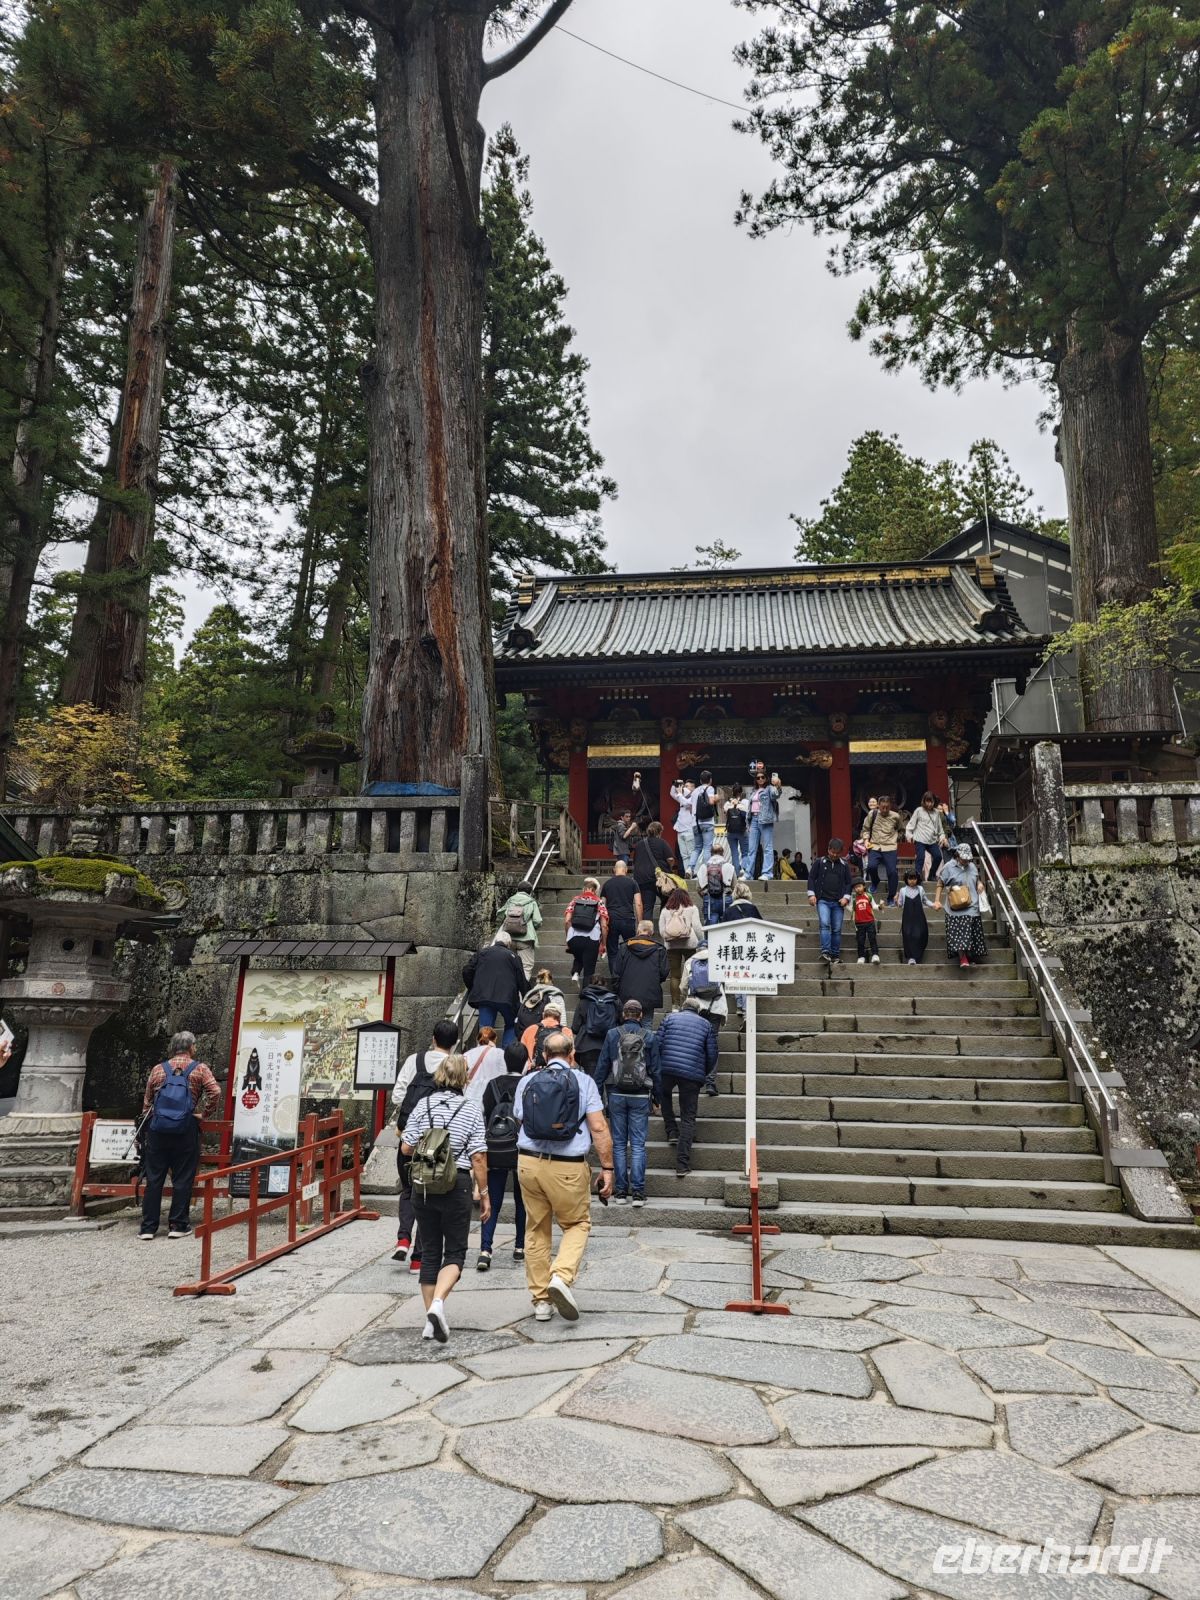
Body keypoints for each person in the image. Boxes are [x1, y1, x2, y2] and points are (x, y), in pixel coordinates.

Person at [513, 1032, 614, 1320]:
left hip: (529, 1163)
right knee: (577, 1223)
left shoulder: (527, 1081)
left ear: (544, 1055)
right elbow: (598, 1127)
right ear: (572, 1055)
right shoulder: (584, 1082)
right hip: (568, 1167)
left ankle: (541, 1302)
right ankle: (561, 1275)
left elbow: (520, 1117)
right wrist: (607, 1168)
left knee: (536, 1229)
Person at [400, 1053, 489, 1342]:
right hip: (457, 1184)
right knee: (454, 1252)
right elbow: (478, 1156)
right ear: (465, 1078)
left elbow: (405, 1148)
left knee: (429, 1251)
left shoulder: (423, 1105)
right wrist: (484, 1194)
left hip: (424, 1186)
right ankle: (438, 1304)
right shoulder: (471, 1109)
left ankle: (430, 1321)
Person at [138, 1032, 221, 1241]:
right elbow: (215, 1091)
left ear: (172, 1048)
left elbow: (147, 1102)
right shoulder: (199, 1069)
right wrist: (204, 1113)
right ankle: (178, 1224)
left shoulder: (158, 1069)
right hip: (185, 1127)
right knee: (182, 1177)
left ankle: (148, 1227)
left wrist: (150, 1124)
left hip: (158, 1129)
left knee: (154, 1178)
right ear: (192, 1047)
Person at [392, 1018, 460, 1264]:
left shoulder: (415, 1060)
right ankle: (418, 1258)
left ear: (433, 1038)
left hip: (408, 1137)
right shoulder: (455, 1066)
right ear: (455, 1043)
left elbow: (397, 1096)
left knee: (408, 1190)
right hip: (438, 1142)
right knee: (429, 1195)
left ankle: (403, 1239)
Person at [594, 999, 661, 1206]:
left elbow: (602, 1066)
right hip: (640, 1095)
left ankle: (621, 1192)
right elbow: (656, 1070)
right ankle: (638, 1193)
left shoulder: (612, 1034)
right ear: (641, 1016)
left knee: (619, 1144)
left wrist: (596, 1095)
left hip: (616, 1094)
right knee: (638, 1144)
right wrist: (657, 1097)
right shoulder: (649, 1036)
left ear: (623, 1015)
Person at [477, 1040, 528, 1271]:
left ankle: (485, 1250)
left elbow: (486, 1114)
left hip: (496, 1147)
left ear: (505, 1061)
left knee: (493, 1200)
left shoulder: (492, 1084)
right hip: (520, 1149)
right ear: (525, 1062)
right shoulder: (528, 1084)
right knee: (521, 1200)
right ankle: (519, 1246)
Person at [657, 999, 718, 1178]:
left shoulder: (669, 1018)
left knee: (664, 1096)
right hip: (692, 1074)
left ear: (683, 1007)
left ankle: (671, 1130)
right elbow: (712, 1053)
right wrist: (703, 1073)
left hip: (667, 1069)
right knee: (688, 1117)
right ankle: (682, 1164)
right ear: (697, 1010)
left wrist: (658, 1067)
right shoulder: (706, 1025)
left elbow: (657, 1043)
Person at [463, 931, 526, 1046]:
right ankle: (506, 1052)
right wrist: (527, 997)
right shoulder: (513, 957)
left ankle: (484, 1052)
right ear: (508, 944)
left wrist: (473, 988)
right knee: (512, 1024)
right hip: (507, 999)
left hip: (484, 997)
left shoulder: (482, 953)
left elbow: (467, 970)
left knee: (485, 1028)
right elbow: (521, 980)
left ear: (496, 940)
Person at [934, 841, 988, 968]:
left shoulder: (972, 866)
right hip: (956, 907)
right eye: (964, 858)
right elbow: (940, 884)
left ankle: (970, 957)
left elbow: (976, 879)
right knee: (959, 934)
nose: (966, 861)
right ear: (957, 855)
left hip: (972, 904)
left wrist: (980, 884)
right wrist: (937, 900)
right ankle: (962, 958)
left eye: (968, 859)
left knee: (972, 933)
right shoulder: (948, 867)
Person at [612, 919, 670, 1028]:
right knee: (647, 1025)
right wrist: (655, 980)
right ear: (651, 932)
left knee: (626, 1025)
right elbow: (664, 972)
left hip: (626, 994)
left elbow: (616, 972)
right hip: (649, 993)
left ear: (638, 931)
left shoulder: (625, 946)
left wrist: (617, 990)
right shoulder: (659, 949)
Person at [807, 838, 854, 970]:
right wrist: (811, 894)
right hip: (823, 900)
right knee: (824, 924)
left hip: (838, 902)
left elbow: (848, 883)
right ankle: (825, 952)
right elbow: (811, 878)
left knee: (837, 929)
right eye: (832, 852)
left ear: (841, 853)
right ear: (828, 849)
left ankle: (835, 955)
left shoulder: (844, 865)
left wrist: (846, 897)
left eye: (837, 853)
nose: (834, 855)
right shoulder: (819, 862)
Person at [659, 886, 704, 1008]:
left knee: (675, 976)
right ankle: (690, 1002)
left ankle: (675, 1005)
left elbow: (662, 930)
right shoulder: (692, 908)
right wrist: (702, 941)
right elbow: (697, 927)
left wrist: (669, 937)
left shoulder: (665, 910)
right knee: (691, 973)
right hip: (690, 945)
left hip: (672, 946)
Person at [572, 978, 620, 1085]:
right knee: (604, 1079)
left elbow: (575, 1027)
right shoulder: (614, 1000)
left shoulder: (584, 1001)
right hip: (608, 1045)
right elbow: (621, 1021)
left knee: (590, 1081)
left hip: (586, 1046)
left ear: (590, 984)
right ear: (605, 984)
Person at [563, 877, 608, 986]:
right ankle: (585, 993)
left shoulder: (575, 900)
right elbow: (604, 925)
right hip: (591, 939)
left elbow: (567, 921)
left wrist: (568, 938)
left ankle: (576, 971)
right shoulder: (599, 902)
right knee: (589, 971)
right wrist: (603, 943)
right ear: (595, 890)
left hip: (574, 938)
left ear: (584, 889)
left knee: (579, 956)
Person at [861, 794, 903, 906]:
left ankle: (891, 897)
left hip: (890, 846)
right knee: (871, 866)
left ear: (890, 806)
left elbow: (901, 829)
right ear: (878, 805)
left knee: (892, 872)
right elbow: (866, 829)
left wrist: (896, 838)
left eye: (887, 807)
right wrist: (866, 840)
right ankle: (875, 882)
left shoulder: (896, 816)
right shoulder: (872, 814)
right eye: (882, 807)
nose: (884, 810)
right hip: (875, 845)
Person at [600, 859, 642, 968]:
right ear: (626, 870)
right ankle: (629, 974)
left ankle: (615, 976)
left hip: (611, 920)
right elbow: (638, 904)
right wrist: (640, 923)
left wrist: (602, 923)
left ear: (614, 870)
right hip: (628, 919)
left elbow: (602, 905)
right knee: (631, 949)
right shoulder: (633, 883)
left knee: (612, 952)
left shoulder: (607, 884)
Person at [632, 819, 674, 924]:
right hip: (659, 878)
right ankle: (664, 924)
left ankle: (646, 930)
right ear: (660, 832)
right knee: (667, 900)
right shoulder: (662, 843)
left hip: (643, 879)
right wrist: (669, 868)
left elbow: (635, 860)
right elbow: (670, 859)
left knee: (648, 906)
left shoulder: (639, 844)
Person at [499, 880, 542, 978]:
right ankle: (522, 987)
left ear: (518, 890)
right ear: (530, 891)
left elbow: (500, 913)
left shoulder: (511, 900)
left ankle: (510, 986)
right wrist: (532, 927)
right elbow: (537, 921)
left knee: (509, 965)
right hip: (525, 939)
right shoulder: (532, 902)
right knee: (526, 966)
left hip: (509, 938)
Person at [746, 770, 783, 880]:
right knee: (751, 849)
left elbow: (776, 795)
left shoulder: (769, 789)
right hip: (753, 819)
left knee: (767, 848)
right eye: (758, 778)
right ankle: (748, 874)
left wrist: (778, 784)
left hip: (765, 820)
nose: (760, 779)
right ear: (756, 780)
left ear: (766, 778)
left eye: (762, 777)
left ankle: (767, 873)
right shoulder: (753, 791)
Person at [906, 791, 948, 882]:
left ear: (934, 802)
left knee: (938, 857)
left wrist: (942, 837)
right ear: (924, 801)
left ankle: (931, 875)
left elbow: (940, 829)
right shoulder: (919, 810)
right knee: (920, 858)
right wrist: (910, 836)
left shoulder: (936, 812)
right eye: (927, 801)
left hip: (932, 840)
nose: (929, 804)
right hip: (920, 839)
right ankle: (917, 878)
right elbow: (910, 825)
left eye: (931, 801)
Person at [521, 1000, 573, 1067]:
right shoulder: (566, 1031)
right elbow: (571, 1055)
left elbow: (522, 1053)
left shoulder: (530, 1029)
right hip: (559, 1069)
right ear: (559, 1017)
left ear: (543, 1015)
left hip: (534, 1069)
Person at [516, 968, 567, 1038]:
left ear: (537, 980)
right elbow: (562, 1020)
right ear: (551, 980)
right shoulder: (555, 994)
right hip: (550, 1036)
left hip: (528, 1033)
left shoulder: (529, 995)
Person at [463, 1026, 506, 1104]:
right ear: (495, 1039)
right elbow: (504, 1075)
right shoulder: (501, 1054)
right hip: (492, 1097)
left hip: (470, 1096)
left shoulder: (467, 1054)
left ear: (477, 1039)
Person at [899, 869, 933, 965]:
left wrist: (933, 905)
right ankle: (911, 957)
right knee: (907, 934)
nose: (912, 881)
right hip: (907, 917)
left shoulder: (920, 889)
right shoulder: (902, 890)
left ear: (917, 879)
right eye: (910, 878)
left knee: (920, 934)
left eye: (914, 878)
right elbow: (900, 904)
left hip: (919, 916)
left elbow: (925, 900)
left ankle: (918, 954)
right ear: (906, 879)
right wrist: (896, 900)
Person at [700, 838, 737, 925]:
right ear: (722, 853)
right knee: (726, 925)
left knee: (710, 926)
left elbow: (698, 887)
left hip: (709, 898)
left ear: (711, 853)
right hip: (726, 897)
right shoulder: (729, 866)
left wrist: (706, 896)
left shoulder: (704, 867)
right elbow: (734, 885)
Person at [670, 778, 700, 874]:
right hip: (680, 829)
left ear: (693, 788)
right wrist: (675, 784)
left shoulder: (695, 796)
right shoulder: (682, 797)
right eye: (684, 786)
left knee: (691, 853)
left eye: (686, 786)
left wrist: (679, 793)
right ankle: (688, 873)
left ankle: (695, 873)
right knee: (684, 855)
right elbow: (672, 793)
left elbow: (687, 804)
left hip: (689, 829)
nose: (684, 788)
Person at [723, 784, 748, 878]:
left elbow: (726, 814)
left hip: (731, 831)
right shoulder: (744, 803)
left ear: (732, 792)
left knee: (734, 853)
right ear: (741, 792)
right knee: (745, 852)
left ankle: (737, 873)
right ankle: (743, 869)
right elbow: (746, 814)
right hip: (742, 831)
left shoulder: (727, 804)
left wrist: (732, 805)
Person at [852, 881, 881, 964]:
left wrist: (879, 907)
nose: (858, 889)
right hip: (859, 923)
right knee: (860, 940)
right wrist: (845, 904)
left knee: (872, 938)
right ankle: (861, 956)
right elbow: (852, 910)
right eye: (856, 887)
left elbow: (874, 906)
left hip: (870, 921)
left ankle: (875, 955)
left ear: (864, 886)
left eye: (859, 886)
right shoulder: (854, 899)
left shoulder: (868, 896)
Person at [693, 770, 718, 865]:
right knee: (707, 847)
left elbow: (691, 806)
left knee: (697, 848)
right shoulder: (710, 788)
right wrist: (717, 799)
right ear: (710, 780)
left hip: (695, 823)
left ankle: (690, 868)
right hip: (707, 822)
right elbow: (711, 802)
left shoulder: (695, 790)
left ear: (700, 780)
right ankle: (705, 869)